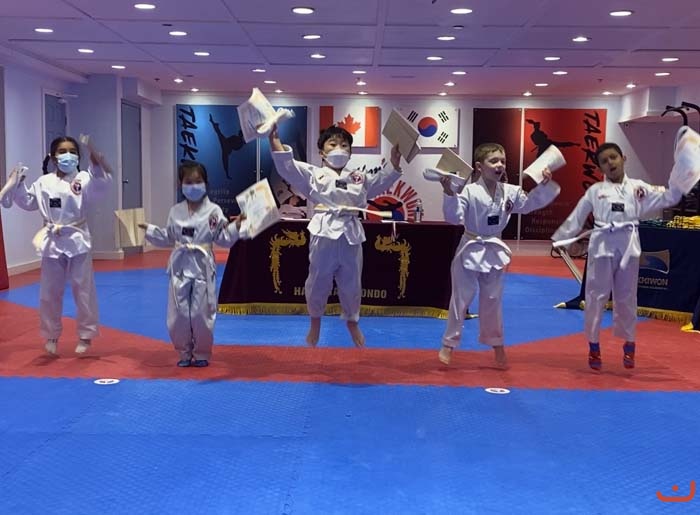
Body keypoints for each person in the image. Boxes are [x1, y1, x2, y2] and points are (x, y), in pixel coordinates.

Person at [269, 124, 403, 347]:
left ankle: (352, 321)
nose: (339, 148)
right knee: (318, 279)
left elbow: (381, 181)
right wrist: (273, 139)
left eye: (344, 145)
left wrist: (395, 162)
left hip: (351, 233)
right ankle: (315, 321)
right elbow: (288, 167)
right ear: (322, 152)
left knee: (352, 282)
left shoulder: (359, 178)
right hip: (324, 231)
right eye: (333, 144)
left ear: (350, 152)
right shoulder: (314, 174)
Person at [552, 142, 682, 370]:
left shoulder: (639, 187)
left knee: (627, 296)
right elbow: (577, 216)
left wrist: (680, 179)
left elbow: (667, 198)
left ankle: (630, 342)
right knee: (595, 295)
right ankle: (593, 344)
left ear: (624, 158)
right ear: (600, 167)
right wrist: (561, 238)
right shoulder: (595, 191)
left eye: (613, 157)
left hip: (628, 246)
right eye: (604, 161)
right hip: (602, 245)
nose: (610, 163)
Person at [438, 143, 560, 368]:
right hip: (470, 247)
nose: (499, 165)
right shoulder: (468, 191)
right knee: (460, 299)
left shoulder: (510, 192)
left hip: (494, 248)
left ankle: (497, 345)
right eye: (493, 161)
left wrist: (543, 185)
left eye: (502, 161)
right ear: (479, 167)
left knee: (492, 300)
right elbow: (454, 218)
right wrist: (448, 193)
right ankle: (448, 343)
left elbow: (529, 205)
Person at [11, 136, 112, 355]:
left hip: (77, 239)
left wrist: (97, 162)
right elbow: (28, 202)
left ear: (78, 156)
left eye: (72, 151)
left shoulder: (83, 178)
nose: (68, 155)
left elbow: (100, 184)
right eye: (62, 151)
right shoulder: (44, 182)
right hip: (52, 240)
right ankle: (51, 334)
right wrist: (18, 183)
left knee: (83, 290)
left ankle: (86, 334)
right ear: (53, 157)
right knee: (49, 292)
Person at [140, 160, 245, 367]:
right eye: (189, 182)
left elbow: (223, 238)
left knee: (200, 313)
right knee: (178, 315)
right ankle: (184, 352)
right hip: (180, 267)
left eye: (198, 181)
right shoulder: (175, 211)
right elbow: (169, 236)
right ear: (180, 184)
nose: (194, 186)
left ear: (206, 183)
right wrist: (150, 230)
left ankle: (202, 352)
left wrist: (236, 226)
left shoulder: (214, 211)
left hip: (202, 267)